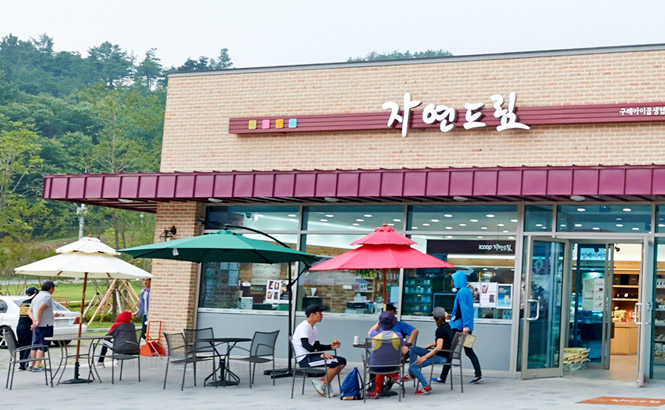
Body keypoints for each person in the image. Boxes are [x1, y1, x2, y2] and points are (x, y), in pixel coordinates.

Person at [438, 270, 482, 384]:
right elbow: (463, 311)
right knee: (469, 351)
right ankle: (478, 374)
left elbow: (464, 309)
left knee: (449, 351)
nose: (451, 282)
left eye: (452, 280)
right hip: (465, 327)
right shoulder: (466, 291)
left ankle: (442, 377)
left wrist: (465, 326)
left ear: (457, 280)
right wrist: (452, 316)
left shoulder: (461, 292)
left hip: (459, 328)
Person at [292, 304, 347, 397]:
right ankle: (322, 384)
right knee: (335, 362)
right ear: (312, 315)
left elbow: (317, 346)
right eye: (320, 313)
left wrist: (331, 346)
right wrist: (321, 354)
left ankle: (323, 383)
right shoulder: (304, 326)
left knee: (342, 361)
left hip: (312, 355)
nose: (322, 315)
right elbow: (305, 344)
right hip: (305, 359)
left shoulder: (313, 328)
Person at [404, 307, 452, 395]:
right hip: (444, 354)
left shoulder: (440, 330)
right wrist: (431, 345)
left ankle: (426, 386)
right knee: (414, 349)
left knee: (413, 367)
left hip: (441, 356)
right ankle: (412, 374)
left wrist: (424, 357)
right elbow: (445, 342)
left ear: (434, 318)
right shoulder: (447, 326)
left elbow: (439, 347)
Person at [367, 311, 408, 399]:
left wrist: (379, 322)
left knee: (381, 362)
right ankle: (393, 375)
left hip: (375, 367)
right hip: (392, 367)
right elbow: (404, 351)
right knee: (386, 361)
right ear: (393, 323)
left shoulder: (374, 335)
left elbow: (370, 331)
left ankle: (376, 391)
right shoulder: (398, 335)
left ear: (380, 324)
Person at [29, 281, 60, 372]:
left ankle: (32, 364)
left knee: (35, 344)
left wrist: (34, 320)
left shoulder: (37, 296)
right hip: (46, 325)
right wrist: (38, 320)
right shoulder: (47, 296)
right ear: (51, 288)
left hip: (37, 325)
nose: (53, 290)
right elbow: (41, 308)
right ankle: (37, 365)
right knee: (43, 345)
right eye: (53, 288)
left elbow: (30, 310)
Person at [17, 287, 38, 370]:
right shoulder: (32, 303)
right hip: (27, 327)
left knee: (22, 346)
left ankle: (21, 364)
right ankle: (25, 363)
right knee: (29, 346)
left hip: (19, 327)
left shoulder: (23, 303)